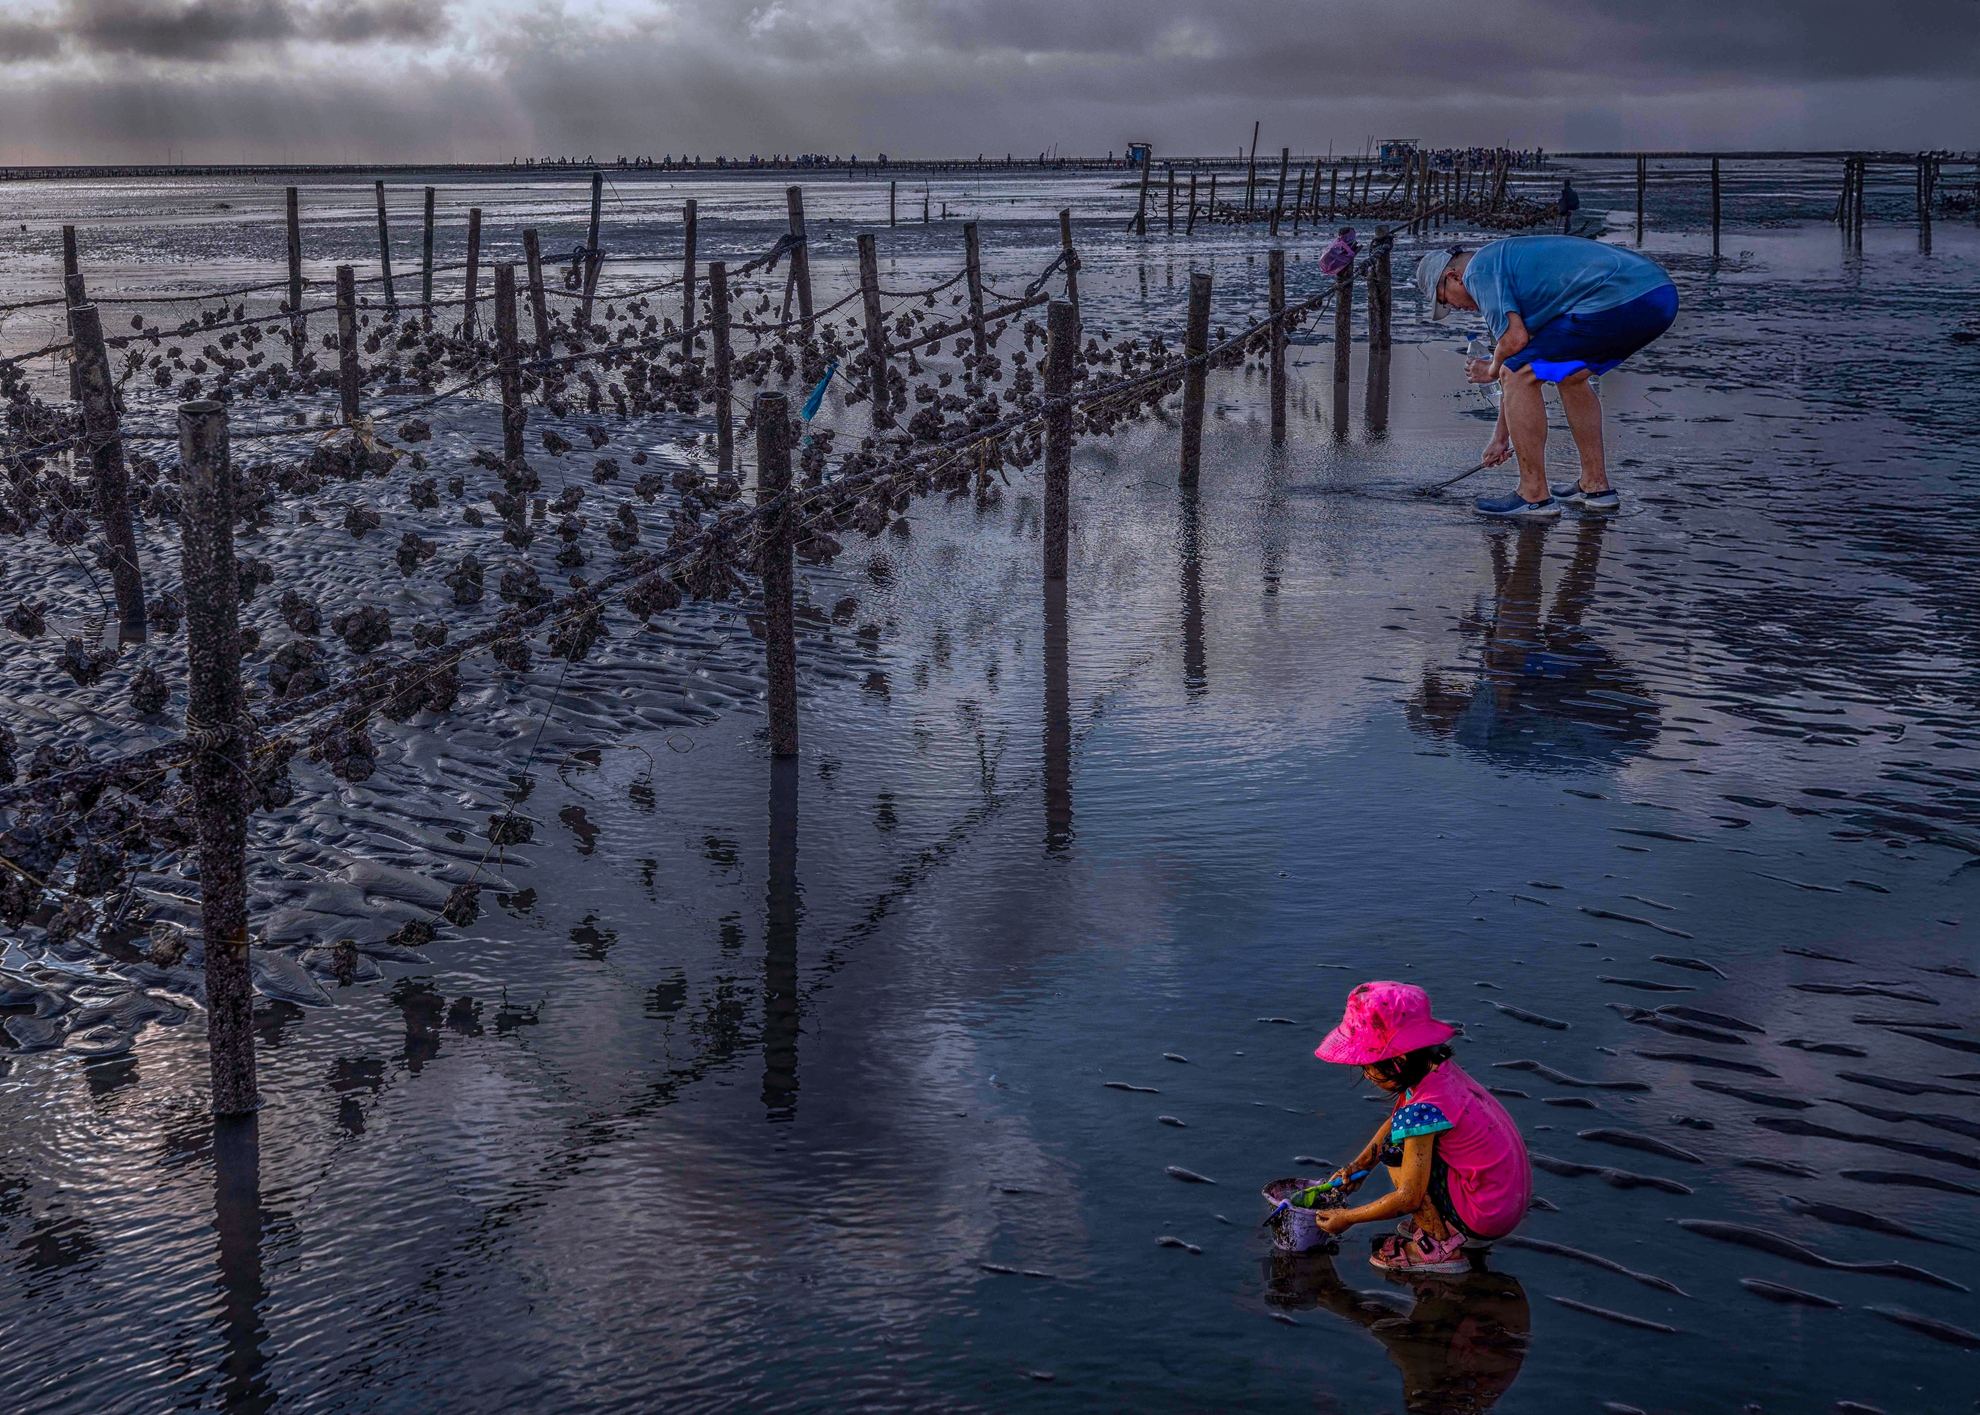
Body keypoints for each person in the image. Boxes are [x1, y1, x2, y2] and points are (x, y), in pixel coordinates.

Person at [1415, 237, 1677, 520]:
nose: (1454, 308)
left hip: (1620, 297)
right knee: (1570, 376)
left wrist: (1490, 370)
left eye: (1445, 300)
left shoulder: (1478, 271)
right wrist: (1500, 438)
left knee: (1517, 372)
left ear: (1454, 277)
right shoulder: (1507, 277)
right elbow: (1518, 361)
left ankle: (1533, 496)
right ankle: (1596, 486)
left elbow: (1512, 349)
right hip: (1658, 297)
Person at [1311, 981, 1532, 1274]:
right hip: (1502, 1199)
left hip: (1486, 1216)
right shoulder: (1438, 1073)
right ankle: (1448, 1223)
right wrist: (1359, 1166)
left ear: (1399, 1061)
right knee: (1400, 1134)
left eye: (1368, 1065)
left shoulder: (1421, 1109)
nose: (1366, 1074)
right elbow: (1396, 1122)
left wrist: (1349, 1217)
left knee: (1395, 1149)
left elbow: (1407, 1199)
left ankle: (1438, 1246)